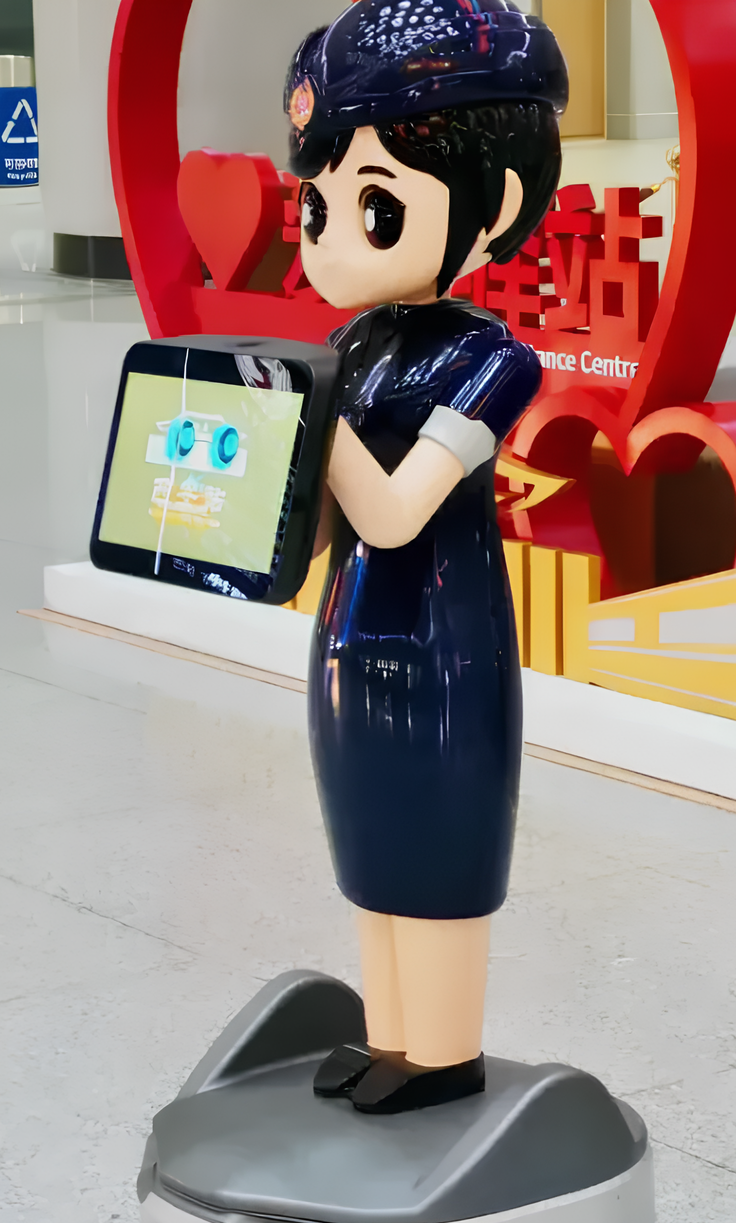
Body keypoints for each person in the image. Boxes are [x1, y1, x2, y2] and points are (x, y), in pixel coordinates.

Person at [287, 0, 566, 1113]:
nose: (330, 240)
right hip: (348, 632)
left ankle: (443, 1052)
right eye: (317, 206)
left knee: (438, 849)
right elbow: (330, 519)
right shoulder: (350, 343)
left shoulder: (491, 360)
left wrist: (313, 418)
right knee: (370, 841)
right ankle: (389, 1036)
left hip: (444, 642)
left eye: (374, 206)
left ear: (493, 206)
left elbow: (399, 512)